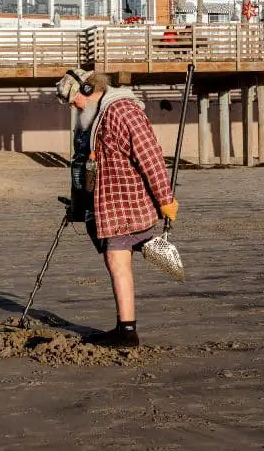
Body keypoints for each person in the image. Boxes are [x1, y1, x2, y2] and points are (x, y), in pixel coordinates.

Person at [56, 69, 178, 348]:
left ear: (89, 91)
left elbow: (151, 158)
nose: (73, 106)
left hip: (126, 204)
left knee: (116, 262)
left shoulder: (123, 111)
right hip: (108, 204)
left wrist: (166, 199)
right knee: (117, 261)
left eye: (74, 99)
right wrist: (79, 204)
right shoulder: (97, 116)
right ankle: (126, 328)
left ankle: (126, 332)